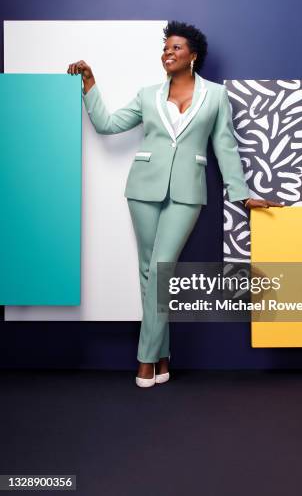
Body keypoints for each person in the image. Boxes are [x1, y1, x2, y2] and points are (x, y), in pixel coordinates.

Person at [67, 20, 282, 388]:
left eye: (176, 48)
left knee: (160, 269)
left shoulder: (215, 96)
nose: (167, 53)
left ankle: (145, 359)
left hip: (187, 192)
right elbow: (107, 125)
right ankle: (163, 356)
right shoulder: (147, 94)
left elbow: (225, 146)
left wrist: (241, 192)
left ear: (193, 56)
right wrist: (90, 86)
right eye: (165, 48)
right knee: (149, 272)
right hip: (142, 189)